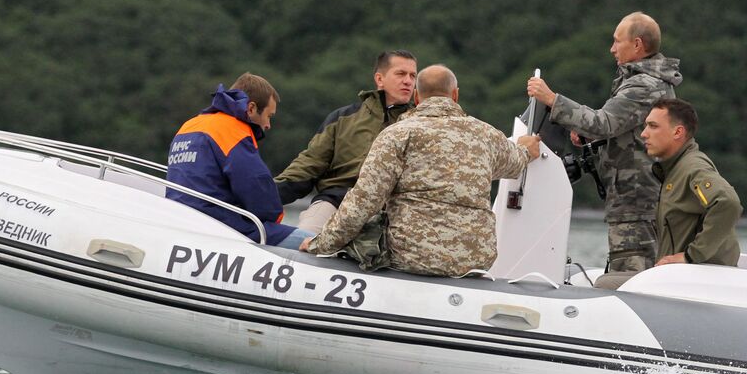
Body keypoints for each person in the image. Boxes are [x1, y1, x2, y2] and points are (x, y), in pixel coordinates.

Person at [301, 65, 542, 277]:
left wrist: (320, 245)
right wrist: (525, 148)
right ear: (455, 95)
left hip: (411, 257)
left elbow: (364, 201)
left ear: (416, 97)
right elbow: (516, 162)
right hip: (474, 260)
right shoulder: (487, 135)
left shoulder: (398, 134)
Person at [525, 11, 682, 289]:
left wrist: (552, 99)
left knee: (631, 280)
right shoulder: (641, 81)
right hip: (633, 196)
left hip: (636, 200)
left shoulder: (643, 86)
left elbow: (605, 122)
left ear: (636, 45)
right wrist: (588, 134)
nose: (612, 48)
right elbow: (621, 129)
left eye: (616, 41)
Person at [275, 50, 419, 234]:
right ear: (379, 79)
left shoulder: (419, 125)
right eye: (400, 74)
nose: (408, 81)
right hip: (336, 202)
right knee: (304, 239)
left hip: (391, 212)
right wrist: (266, 194)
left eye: (413, 76)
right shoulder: (342, 118)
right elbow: (308, 166)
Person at [166, 73, 312, 248]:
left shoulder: (189, 125)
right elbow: (256, 188)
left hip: (181, 219)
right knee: (316, 242)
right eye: (269, 116)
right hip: (221, 223)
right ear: (251, 108)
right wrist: (274, 220)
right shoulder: (232, 131)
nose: (268, 125)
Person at [640, 97, 742, 267]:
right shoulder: (674, 169)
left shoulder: (692, 167)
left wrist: (691, 256)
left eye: (653, 126)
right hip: (677, 275)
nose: (644, 133)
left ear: (678, 132)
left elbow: (728, 203)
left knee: (603, 284)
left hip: (698, 278)